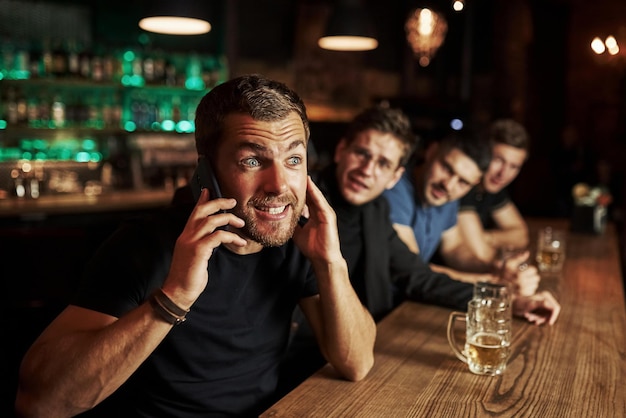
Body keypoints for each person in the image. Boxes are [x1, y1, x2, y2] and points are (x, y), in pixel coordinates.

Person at [15, 75, 376, 418]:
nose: (280, 184)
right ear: (206, 171)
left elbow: (357, 362)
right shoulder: (142, 245)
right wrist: (175, 296)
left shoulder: (295, 242)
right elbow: (40, 403)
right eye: (252, 160)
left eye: (293, 159)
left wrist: (331, 261)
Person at [278, 106, 561, 396]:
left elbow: (418, 277)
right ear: (341, 150)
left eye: (383, 163)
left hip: (368, 348)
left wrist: (509, 300)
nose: (367, 170)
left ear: (394, 176)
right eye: (361, 153)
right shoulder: (297, 205)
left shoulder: (375, 209)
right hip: (306, 369)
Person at [383, 128, 538, 291]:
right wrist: (490, 281)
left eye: (463, 182)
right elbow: (413, 269)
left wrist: (494, 268)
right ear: (431, 151)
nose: (448, 185)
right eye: (447, 168)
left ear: (474, 183)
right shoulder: (395, 189)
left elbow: (455, 248)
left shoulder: (447, 195)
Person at [439, 119, 532, 273]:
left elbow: (521, 235)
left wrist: (487, 237)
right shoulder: (463, 185)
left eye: (513, 167)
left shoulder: (493, 187)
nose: (503, 173)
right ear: (484, 153)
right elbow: (481, 255)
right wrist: (499, 242)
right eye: (498, 160)